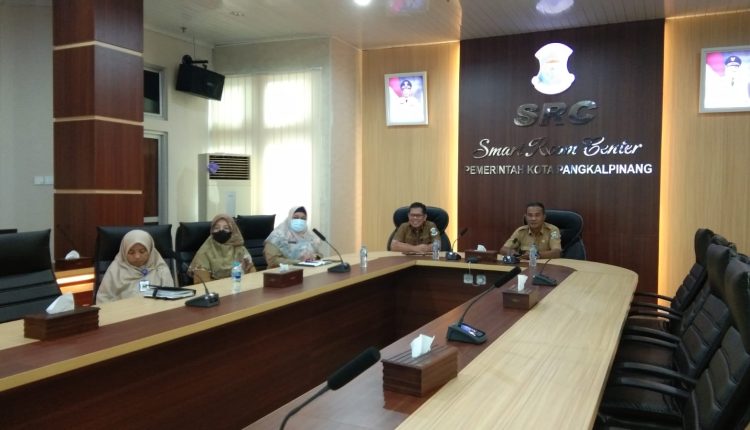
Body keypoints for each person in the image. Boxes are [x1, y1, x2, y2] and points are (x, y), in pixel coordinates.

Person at [97, 229, 174, 303]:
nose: (137, 256)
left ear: (150, 250)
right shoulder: (115, 271)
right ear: (124, 252)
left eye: (142, 251)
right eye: (131, 252)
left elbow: (170, 298)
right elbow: (103, 299)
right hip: (124, 311)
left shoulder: (161, 269)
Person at [188, 214, 255, 281]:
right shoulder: (204, 252)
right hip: (215, 287)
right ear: (212, 231)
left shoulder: (239, 247)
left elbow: (252, 273)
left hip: (239, 285)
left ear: (233, 231)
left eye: (226, 228)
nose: (221, 231)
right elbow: (201, 282)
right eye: (216, 228)